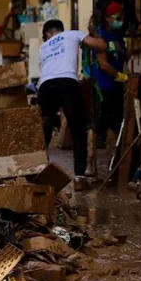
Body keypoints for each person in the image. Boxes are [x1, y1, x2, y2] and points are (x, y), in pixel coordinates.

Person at [37, 19, 110, 179]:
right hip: (67, 83)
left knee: (44, 129)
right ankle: (79, 175)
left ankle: (36, 169)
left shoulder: (43, 47)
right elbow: (100, 45)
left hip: (45, 86)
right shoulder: (72, 34)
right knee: (78, 128)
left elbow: (45, 69)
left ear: (48, 34)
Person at [88, 2, 129, 151]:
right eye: (117, 17)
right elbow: (103, 64)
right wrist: (121, 76)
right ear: (107, 18)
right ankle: (91, 158)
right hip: (103, 86)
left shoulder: (118, 36)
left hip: (116, 86)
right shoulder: (100, 36)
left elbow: (120, 55)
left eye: (122, 17)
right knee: (100, 125)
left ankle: (113, 153)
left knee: (116, 122)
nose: (120, 20)